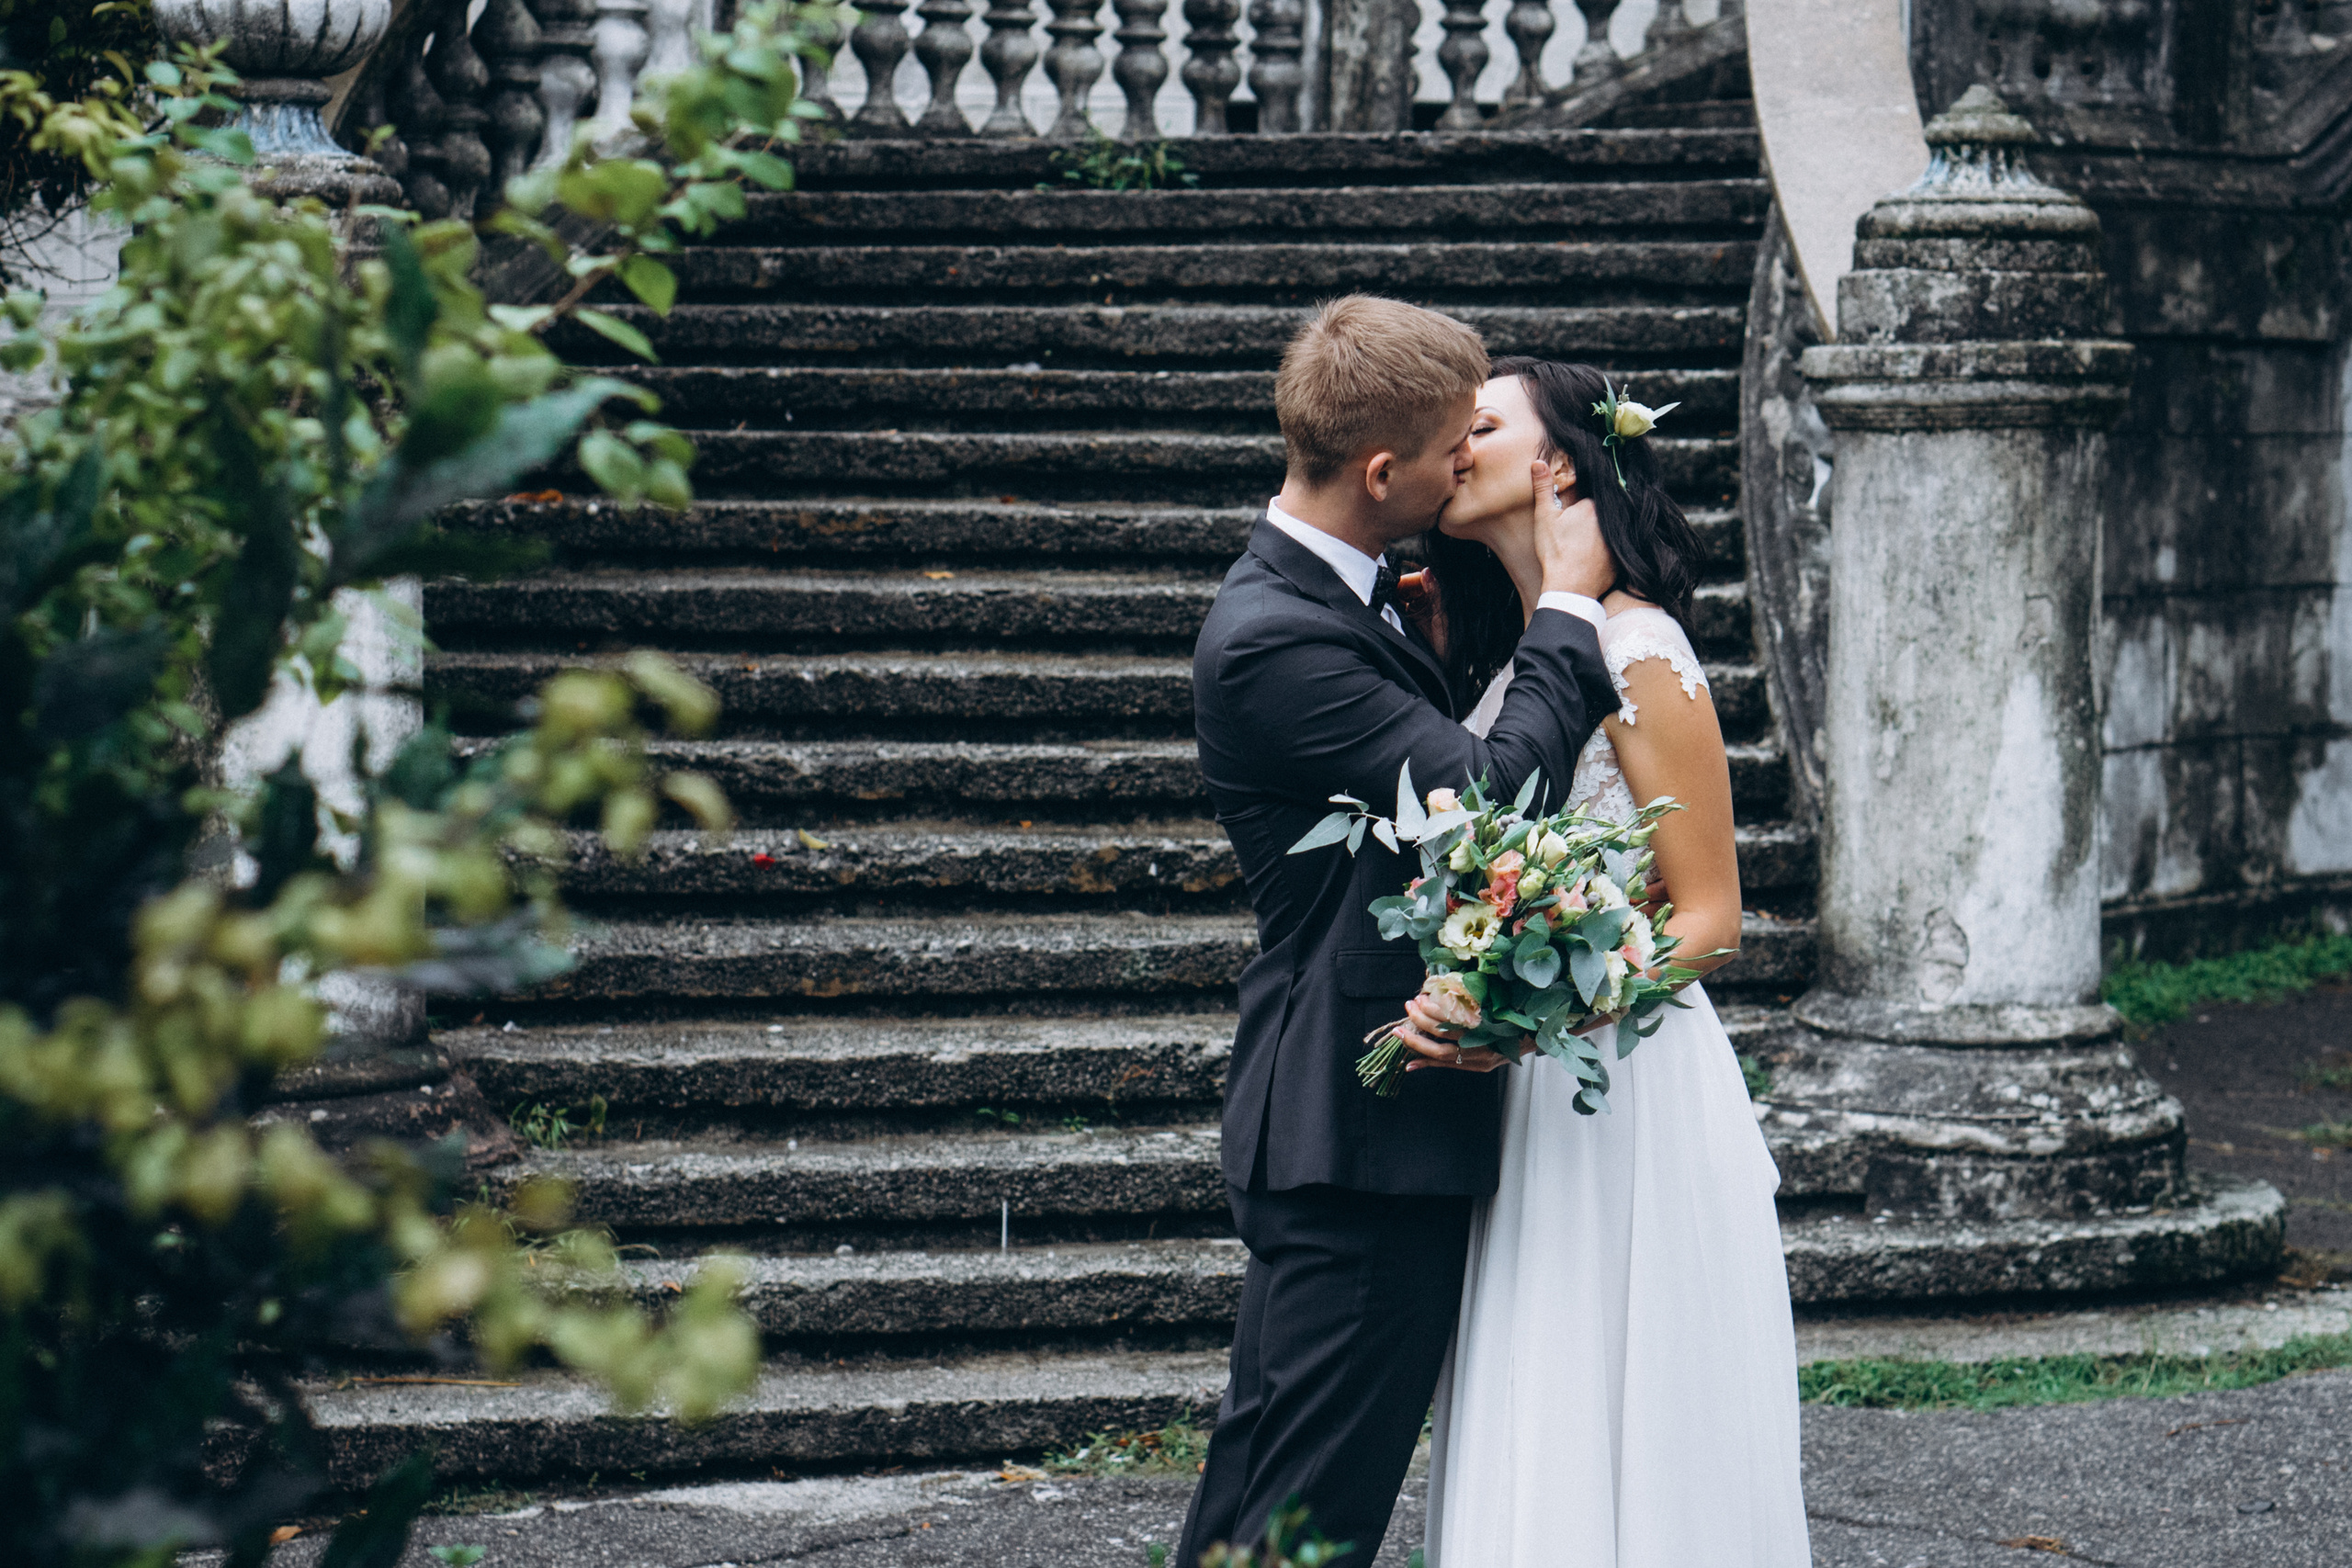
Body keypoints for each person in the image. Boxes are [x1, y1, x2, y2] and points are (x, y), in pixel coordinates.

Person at [1180, 298, 1623, 1564]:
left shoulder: (1346, 594)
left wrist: (1432, 654)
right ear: (1385, 472)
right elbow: (1486, 806)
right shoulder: (1273, 639)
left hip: (1348, 1127)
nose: (1464, 467)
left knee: (1267, 1494)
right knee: (1309, 1519)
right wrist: (1572, 612)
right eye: (1451, 448)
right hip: (1356, 1128)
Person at [1419, 358, 1811, 1566]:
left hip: (1622, 1083)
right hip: (1531, 1087)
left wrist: (1533, 1010)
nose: (1450, 442)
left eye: (1478, 424)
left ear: (1560, 469)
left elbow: (1710, 917)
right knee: (1538, 1392)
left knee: (1630, 1405)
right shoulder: (1508, 667)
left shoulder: (1642, 649)